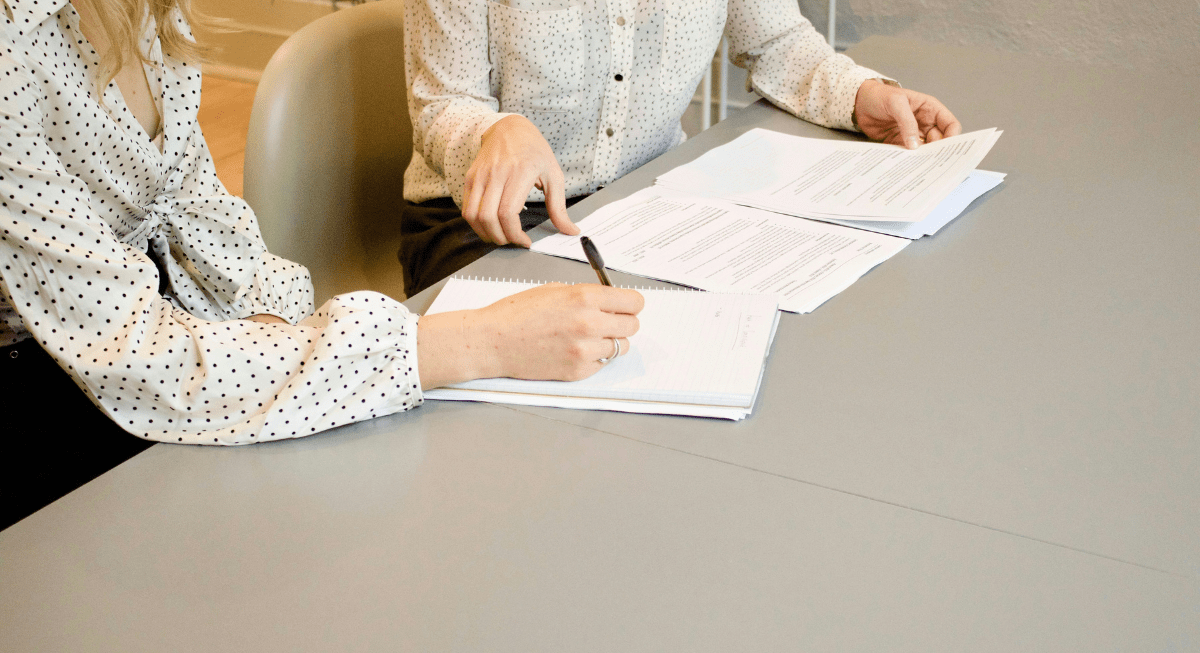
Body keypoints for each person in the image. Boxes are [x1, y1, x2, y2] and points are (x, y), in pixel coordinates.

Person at [0, 0, 643, 531]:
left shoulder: (145, 14)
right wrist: (476, 342)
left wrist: (299, 340)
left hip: (142, 328)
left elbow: (206, 227)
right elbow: (137, 355)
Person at [400, 0, 963, 295]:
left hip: (645, 203)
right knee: (573, 350)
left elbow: (778, 41)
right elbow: (442, 102)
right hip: (481, 220)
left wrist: (861, 94)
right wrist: (492, 132)